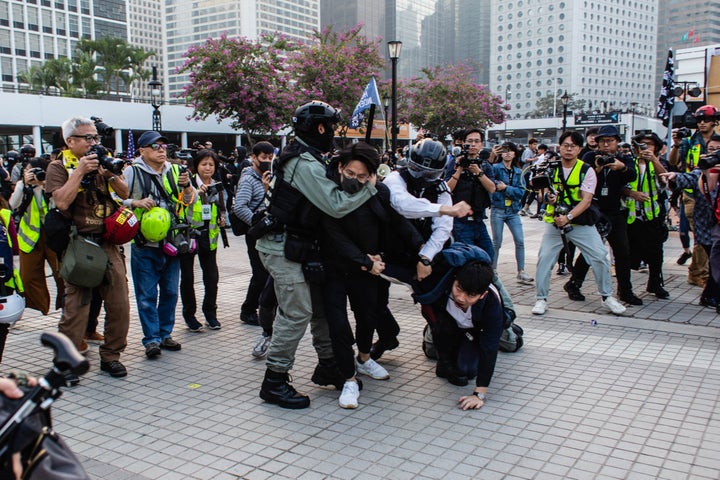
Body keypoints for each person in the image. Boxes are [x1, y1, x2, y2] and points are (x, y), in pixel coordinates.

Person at [254, 100, 378, 409]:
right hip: (281, 247)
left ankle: (329, 365)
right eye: (333, 127)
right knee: (296, 312)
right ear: (320, 128)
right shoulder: (302, 163)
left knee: (320, 308)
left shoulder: (309, 156)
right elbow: (334, 204)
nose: (335, 133)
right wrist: (369, 187)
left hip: (301, 245)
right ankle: (274, 380)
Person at [321, 142, 423, 409]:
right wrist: (364, 260)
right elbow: (335, 236)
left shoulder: (377, 192)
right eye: (351, 174)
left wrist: (422, 250)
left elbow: (396, 221)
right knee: (339, 326)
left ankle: (364, 359)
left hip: (369, 268)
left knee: (367, 316)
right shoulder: (327, 192)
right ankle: (349, 380)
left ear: (372, 175)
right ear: (341, 168)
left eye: (363, 176)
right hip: (334, 268)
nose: (355, 181)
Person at [45, 116, 132, 379]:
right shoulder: (59, 166)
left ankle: (111, 356)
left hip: (108, 243)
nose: (94, 143)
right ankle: (68, 362)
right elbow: (61, 202)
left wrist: (110, 174)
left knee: (120, 304)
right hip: (79, 243)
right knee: (76, 307)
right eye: (87, 138)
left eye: (95, 137)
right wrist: (81, 171)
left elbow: (125, 193)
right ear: (70, 141)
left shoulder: (103, 159)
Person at [370, 139, 472, 360]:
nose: (421, 178)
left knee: (433, 302)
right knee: (372, 300)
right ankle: (388, 335)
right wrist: (445, 209)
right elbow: (402, 205)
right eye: (417, 170)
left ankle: (443, 343)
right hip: (388, 253)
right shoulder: (395, 179)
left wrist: (425, 258)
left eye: (429, 174)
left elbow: (443, 229)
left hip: (424, 255)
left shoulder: (441, 189)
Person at [531, 131, 626, 316]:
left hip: (579, 222)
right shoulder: (549, 167)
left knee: (599, 256)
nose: (568, 149)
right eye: (565, 145)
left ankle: (607, 296)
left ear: (579, 149)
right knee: (544, 260)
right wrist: (549, 199)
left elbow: (586, 200)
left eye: (573, 146)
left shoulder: (586, 170)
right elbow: (541, 194)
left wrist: (569, 217)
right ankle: (541, 299)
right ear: (559, 146)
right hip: (554, 222)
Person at [122, 131, 196, 359]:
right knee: (146, 296)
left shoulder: (175, 170)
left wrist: (187, 188)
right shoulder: (131, 172)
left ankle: (165, 334)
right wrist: (134, 202)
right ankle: (151, 339)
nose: (161, 149)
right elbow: (114, 198)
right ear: (142, 151)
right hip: (145, 244)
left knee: (171, 292)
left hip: (172, 243)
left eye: (164, 145)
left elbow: (189, 200)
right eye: (155, 146)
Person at [564, 125, 641, 305]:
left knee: (623, 252)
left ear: (617, 142)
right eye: (602, 141)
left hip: (615, 211)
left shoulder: (624, 158)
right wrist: (597, 168)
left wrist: (620, 167)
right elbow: (583, 179)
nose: (606, 145)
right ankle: (574, 284)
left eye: (610, 141)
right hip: (594, 211)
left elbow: (632, 175)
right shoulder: (590, 157)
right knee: (591, 252)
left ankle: (625, 290)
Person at [421, 260, 503, 410]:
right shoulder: (442, 286)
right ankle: (430, 334)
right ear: (455, 279)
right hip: (447, 326)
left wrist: (479, 394)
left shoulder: (491, 303)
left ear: (482, 294)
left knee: (467, 371)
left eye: (470, 295)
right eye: (459, 288)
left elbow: (490, 347)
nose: (461, 298)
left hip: (474, 332)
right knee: (433, 352)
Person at [662, 133, 720, 308]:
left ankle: (710, 297)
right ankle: (711, 297)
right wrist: (675, 176)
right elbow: (689, 178)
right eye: (711, 149)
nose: (714, 154)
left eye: (718, 150)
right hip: (707, 226)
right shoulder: (701, 171)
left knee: (715, 264)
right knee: (715, 262)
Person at [670, 105, 719, 287]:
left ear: (715, 121)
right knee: (701, 235)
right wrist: (676, 144)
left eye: (706, 119)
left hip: (715, 193)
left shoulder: (717, 141)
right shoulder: (690, 141)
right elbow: (674, 162)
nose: (702, 123)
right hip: (693, 192)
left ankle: (704, 271)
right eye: (699, 120)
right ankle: (699, 273)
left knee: (712, 236)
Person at [9, 158, 65, 317]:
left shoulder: (50, 184)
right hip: (29, 238)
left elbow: (59, 204)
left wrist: (44, 184)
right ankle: (40, 308)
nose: (32, 174)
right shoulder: (23, 186)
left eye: (34, 171)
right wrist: (23, 186)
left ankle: (65, 306)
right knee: (28, 277)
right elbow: (11, 206)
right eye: (28, 171)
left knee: (62, 274)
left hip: (54, 235)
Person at [180, 149, 226, 331]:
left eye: (211, 165)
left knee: (212, 277)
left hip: (210, 236)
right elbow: (183, 203)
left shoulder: (217, 184)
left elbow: (222, 206)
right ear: (196, 166)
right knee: (188, 277)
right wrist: (197, 192)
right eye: (204, 164)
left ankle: (210, 313)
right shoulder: (188, 183)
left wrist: (222, 217)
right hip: (189, 236)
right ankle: (189, 315)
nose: (208, 168)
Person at [621, 131, 669, 299]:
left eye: (649, 144)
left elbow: (665, 181)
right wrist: (632, 193)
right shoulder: (629, 163)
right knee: (627, 255)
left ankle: (655, 284)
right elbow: (619, 185)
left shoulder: (658, 164)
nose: (645, 147)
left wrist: (654, 160)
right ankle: (625, 289)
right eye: (642, 144)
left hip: (651, 217)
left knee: (656, 254)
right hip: (630, 216)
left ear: (656, 148)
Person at [235, 141, 274, 326]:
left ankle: (262, 307)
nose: (267, 161)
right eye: (263, 157)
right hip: (255, 233)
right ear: (253, 158)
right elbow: (239, 207)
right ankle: (248, 309)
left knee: (267, 272)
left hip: (267, 231)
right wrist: (255, 224)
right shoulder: (248, 179)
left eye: (270, 157)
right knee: (260, 273)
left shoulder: (270, 177)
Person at [445, 128, 497, 258]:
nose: (473, 145)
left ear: (482, 144)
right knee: (468, 257)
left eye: (476, 141)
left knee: (488, 254)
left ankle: (491, 276)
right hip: (460, 222)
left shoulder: (484, 165)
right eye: (469, 141)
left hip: (479, 219)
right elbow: (447, 189)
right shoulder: (454, 163)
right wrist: (459, 169)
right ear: (463, 143)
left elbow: (492, 188)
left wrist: (478, 172)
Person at [490, 142, 533, 284]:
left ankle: (521, 271)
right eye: (504, 151)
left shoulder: (519, 171)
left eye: (510, 151)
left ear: (515, 153)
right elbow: (492, 185)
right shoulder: (495, 169)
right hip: (498, 209)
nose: (507, 153)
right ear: (500, 153)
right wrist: (502, 188)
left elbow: (521, 192)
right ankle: (493, 270)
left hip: (513, 210)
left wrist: (505, 188)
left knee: (520, 240)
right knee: (497, 242)